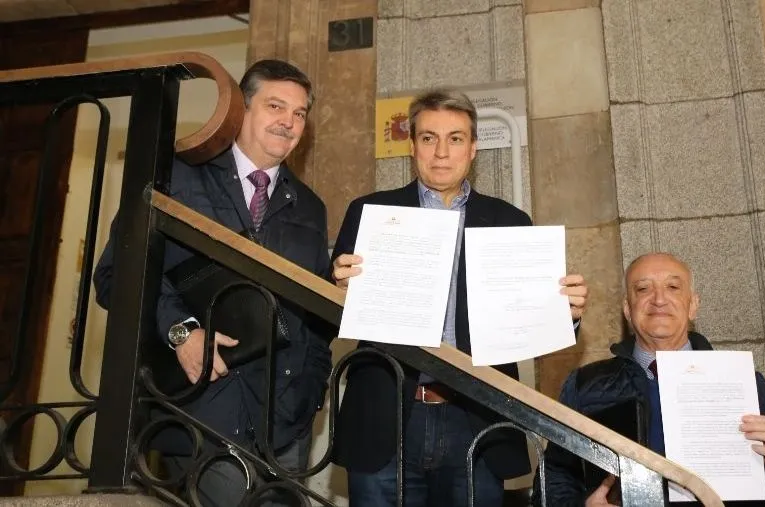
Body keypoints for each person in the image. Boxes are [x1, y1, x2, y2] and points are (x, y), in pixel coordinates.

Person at [330, 88, 590, 507]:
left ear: (472, 149)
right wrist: (337, 288)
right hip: (388, 415)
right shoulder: (369, 214)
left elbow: (532, 319)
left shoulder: (510, 221)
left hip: (477, 416)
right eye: (429, 138)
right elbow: (331, 315)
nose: (441, 152)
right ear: (412, 146)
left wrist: (565, 314)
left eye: (455, 138)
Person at [93, 59, 332, 506]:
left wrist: (312, 392)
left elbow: (315, 316)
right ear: (241, 109)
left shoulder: (310, 208)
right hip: (201, 411)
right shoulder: (175, 177)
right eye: (276, 106)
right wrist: (180, 331)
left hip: (285, 424)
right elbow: (115, 276)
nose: (289, 122)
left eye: (299, 113)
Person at [534, 252, 765, 507]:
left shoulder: (743, 382)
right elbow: (554, 476)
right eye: (643, 289)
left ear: (693, 305)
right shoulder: (585, 383)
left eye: (673, 288)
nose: (659, 299)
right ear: (628, 310)